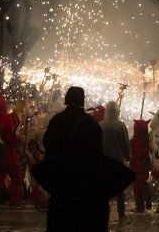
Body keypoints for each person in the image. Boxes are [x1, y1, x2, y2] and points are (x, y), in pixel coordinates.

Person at [42, 86, 109, 231]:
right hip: (84, 182)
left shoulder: (57, 121)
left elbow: (47, 144)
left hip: (60, 179)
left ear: (67, 99)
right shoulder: (90, 124)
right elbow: (98, 153)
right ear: (82, 100)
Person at [99, 101, 130, 219]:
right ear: (117, 112)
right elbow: (125, 144)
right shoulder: (120, 126)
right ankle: (121, 211)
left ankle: (104, 209)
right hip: (117, 160)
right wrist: (128, 156)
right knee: (119, 187)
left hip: (103, 160)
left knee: (104, 187)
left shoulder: (100, 125)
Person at [129, 119, 152, 212]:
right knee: (143, 183)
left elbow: (129, 154)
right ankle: (147, 197)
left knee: (136, 187)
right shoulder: (147, 141)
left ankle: (140, 207)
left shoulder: (133, 141)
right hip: (145, 167)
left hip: (135, 167)